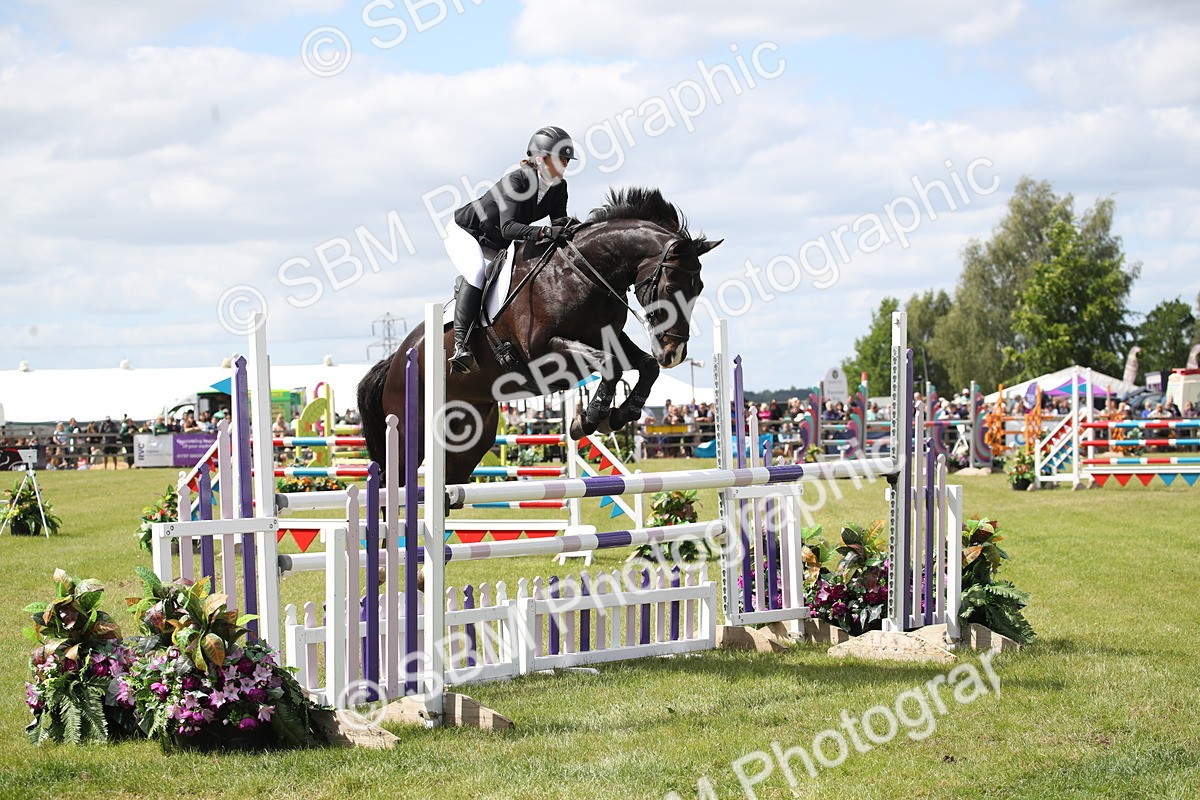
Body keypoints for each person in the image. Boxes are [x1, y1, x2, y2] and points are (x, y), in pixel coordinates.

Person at [444, 126, 579, 373]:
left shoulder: (559, 188)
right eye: (560, 158)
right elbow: (508, 227)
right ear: (541, 158)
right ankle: (461, 345)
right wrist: (545, 232)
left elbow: (559, 223)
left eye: (567, 160)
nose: (565, 165)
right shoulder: (517, 181)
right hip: (469, 233)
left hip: (498, 244)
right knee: (476, 272)